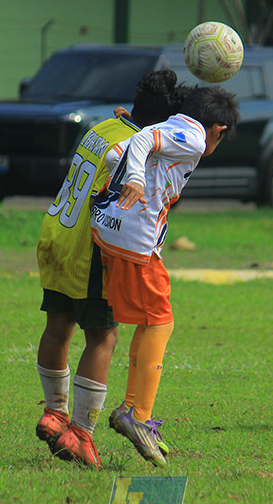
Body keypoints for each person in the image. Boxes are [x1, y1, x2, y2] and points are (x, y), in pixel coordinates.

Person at [35, 69, 190, 469]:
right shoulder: (139, 147)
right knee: (103, 337)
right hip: (91, 248)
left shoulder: (106, 124)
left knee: (58, 326)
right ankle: (80, 433)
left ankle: (54, 413)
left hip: (56, 233)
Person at [92, 85, 239, 467]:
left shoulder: (174, 125)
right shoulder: (191, 137)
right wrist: (137, 180)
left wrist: (130, 171)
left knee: (148, 320)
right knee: (161, 322)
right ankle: (139, 417)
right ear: (218, 130)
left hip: (110, 228)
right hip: (133, 237)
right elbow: (144, 139)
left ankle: (129, 408)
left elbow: (116, 151)